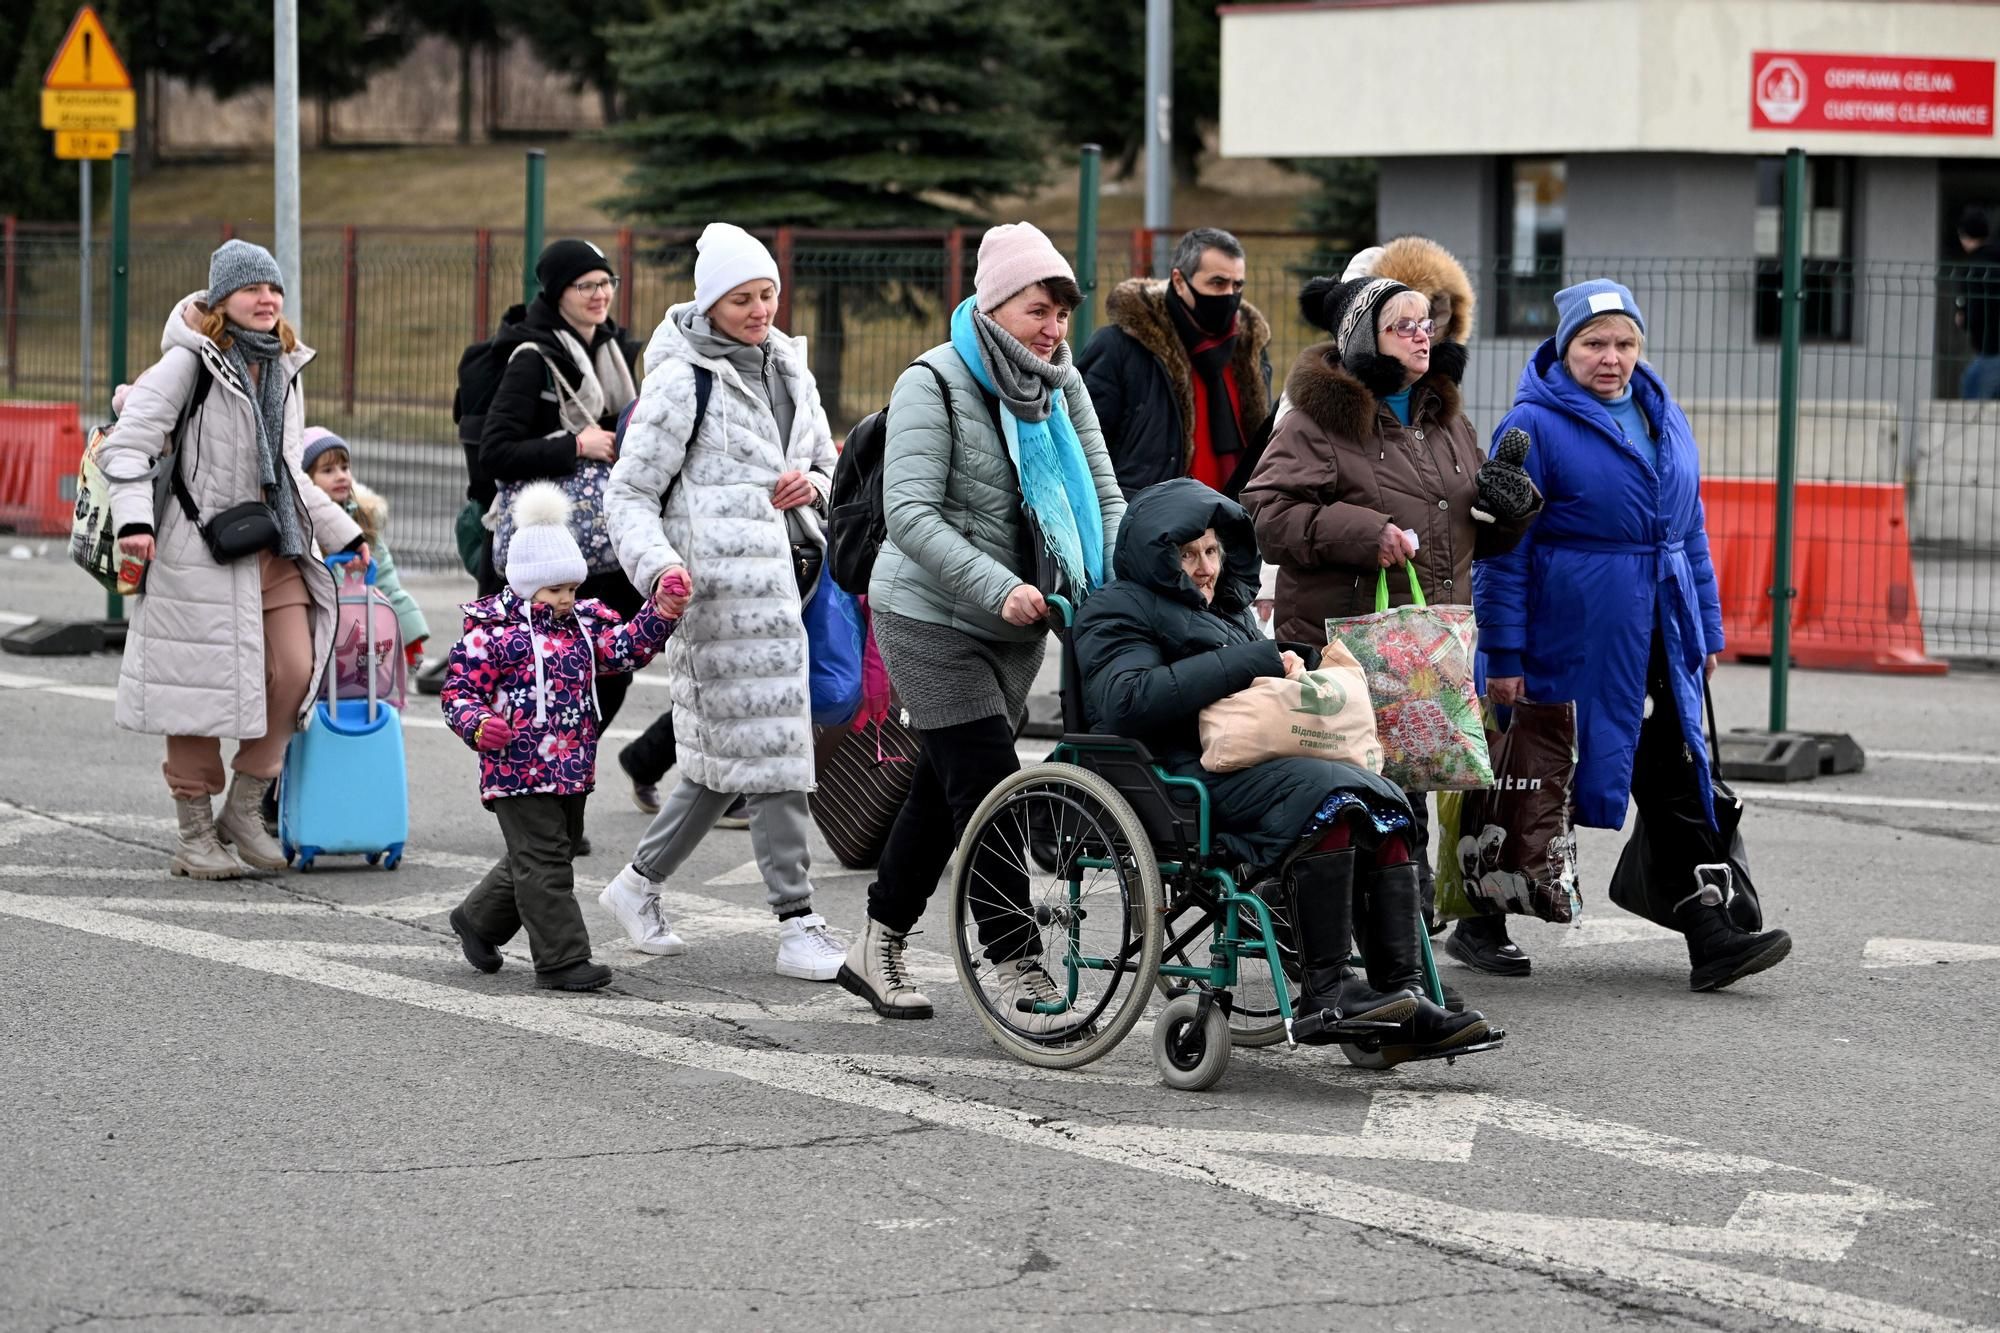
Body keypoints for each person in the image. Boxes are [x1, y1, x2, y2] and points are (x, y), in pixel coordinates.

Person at [1074, 480, 1494, 1057]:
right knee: (1332, 796)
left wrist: (1303, 665)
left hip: (1254, 762)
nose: (1204, 568)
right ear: (1156, 555)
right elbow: (1125, 701)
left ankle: (1405, 993)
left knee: (1384, 801)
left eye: (1213, 552)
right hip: (1180, 777)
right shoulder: (1116, 607)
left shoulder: (1227, 610)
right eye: (1189, 554)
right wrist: (1251, 660)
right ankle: (1327, 992)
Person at [836, 221, 1126, 1023]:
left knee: (942, 783)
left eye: (1064, 312)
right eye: (1040, 309)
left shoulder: (1061, 383)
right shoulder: (932, 380)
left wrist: (1116, 579)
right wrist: (999, 585)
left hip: (1020, 621)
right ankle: (1017, 960)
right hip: (927, 611)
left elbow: (1103, 496)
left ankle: (877, 940)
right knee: (989, 783)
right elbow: (910, 514)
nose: (1055, 328)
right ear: (994, 304)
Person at [1475, 279, 1793, 992]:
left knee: (1673, 773)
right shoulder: (1531, 427)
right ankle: (1479, 915)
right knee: (1534, 780)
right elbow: (1501, 551)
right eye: (1594, 344)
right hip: (1570, 635)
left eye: (1624, 343)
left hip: (1656, 629)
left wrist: (1705, 627)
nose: (1611, 358)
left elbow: (1691, 531)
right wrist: (1502, 652)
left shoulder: (1663, 412)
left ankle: (1710, 933)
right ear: (1565, 348)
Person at [1240, 261, 1541, 979]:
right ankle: (1330, 959)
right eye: (1401, 325)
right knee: (1351, 806)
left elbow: (1469, 532)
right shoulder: (1319, 418)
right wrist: (1361, 532)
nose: (1421, 336)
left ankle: (1399, 977)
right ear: (1364, 340)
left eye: (1426, 323)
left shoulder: (1444, 418)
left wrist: (1511, 514)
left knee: (1400, 808)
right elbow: (1265, 514)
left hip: (1423, 655)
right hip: (1341, 650)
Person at [599, 222, 848, 980]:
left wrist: (816, 486)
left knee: (718, 766)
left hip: (789, 592)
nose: (759, 309)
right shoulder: (684, 380)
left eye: (767, 293)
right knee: (774, 761)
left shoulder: (792, 372)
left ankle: (635, 885)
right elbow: (629, 493)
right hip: (716, 604)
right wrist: (662, 569)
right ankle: (797, 921)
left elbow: (829, 467)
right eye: (742, 298)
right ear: (709, 305)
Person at [100, 240, 368, 880]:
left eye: (272, 289)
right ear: (222, 299)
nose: (266, 299)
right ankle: (193, 833)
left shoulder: (282, 367)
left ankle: (243, 810)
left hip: (277, 550)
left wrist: (344, 534)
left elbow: (289, 471)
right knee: (196, 689)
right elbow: (127, 449)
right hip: (200, 553)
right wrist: (135, 524)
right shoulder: (186, 365)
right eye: (252, 289)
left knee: (297, 669)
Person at [442, 483, 678, 992]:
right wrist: (479, 725)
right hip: (514, 767)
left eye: (572, 587)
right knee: (546, 859)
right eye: (555, 590)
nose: (567, 599)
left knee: (554, 848)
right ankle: (562, 959)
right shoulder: (492, 634)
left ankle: (478, 919)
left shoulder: (582, 626)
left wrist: (660, 613)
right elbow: (459, 693)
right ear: (526, 585)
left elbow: (624, 649)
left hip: (570, 765)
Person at [477, 238, 643, 863]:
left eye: (607, 283)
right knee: (548, 687)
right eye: (586, 286)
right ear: (556, 292)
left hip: (605, 549)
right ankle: (547, 809)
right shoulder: (532, 358)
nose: (600, 295)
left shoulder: (613, 350)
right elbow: (496, 450)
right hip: (552, 548)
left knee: (612, 672)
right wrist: (575, 445)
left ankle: (558, 794)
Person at [1078, 226, 1272, 499]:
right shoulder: (1119, 348)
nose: (1230, 295)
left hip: (1231, 526)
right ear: (1179, 282)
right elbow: (1082, 452)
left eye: (1237, 285)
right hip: (1151, 528)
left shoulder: (1250, 354)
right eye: (1217, 283)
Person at [300, 427, 430, 669]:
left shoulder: (362, 527)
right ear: (305, 479)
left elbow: (386, 583)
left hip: (359, 639)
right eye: (328, 470)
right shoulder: (302, 529)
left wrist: (409, 634)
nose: (340, 476)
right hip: (315, 639)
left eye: (344, 467)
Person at [1956, 208, 2000, 401]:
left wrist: (1964, 319)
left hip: (1990, 348)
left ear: (1965, 236)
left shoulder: (1974, 268)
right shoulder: (1995, 259)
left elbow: (1974, 311)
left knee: (1972, 398)